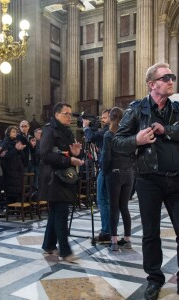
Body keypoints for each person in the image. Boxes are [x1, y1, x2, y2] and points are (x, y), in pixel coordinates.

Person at [113, 62, 179, 300]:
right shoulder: (137, 109)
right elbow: (117, 142)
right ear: (152, 84)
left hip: (177, 180)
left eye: (172, 76)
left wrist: (167, 130)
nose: (172, 80)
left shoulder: (177, 108)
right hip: (148, 180)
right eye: (166, 77)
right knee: (151, 233)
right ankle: (154, 279)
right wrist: (137, 140)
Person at [40, 102, 84, 262]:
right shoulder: (49, 130)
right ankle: (65, 251)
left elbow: (68, 154)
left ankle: (49, 245)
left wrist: (76, 154)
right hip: (53, 179)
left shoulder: (68, 132)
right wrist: (69, 160)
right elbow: (45, 155)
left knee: (55, 213)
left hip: (64, 178)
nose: (69, 117)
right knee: (61, 214)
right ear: (57, 114)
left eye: (70, 114)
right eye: (66, 113)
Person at [101, 107, 134, 251]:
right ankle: (127, 239)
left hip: (114, 173)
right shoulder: (128, 134)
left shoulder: (109, 134)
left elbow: (106, 156)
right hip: (129, 173)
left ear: (111, 118)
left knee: (114, 207)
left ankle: (113, 241)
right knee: (124, 207)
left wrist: (104, 170)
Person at [83, 108, 111, 243]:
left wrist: (86, 127)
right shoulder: (115, 130)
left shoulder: (108, 131)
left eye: (105, 118)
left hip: (105, 169)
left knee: (102, 200)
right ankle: (111, 231)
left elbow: (93, 137)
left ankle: (106, 232)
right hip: (112, 169)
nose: (103, 120)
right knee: (108, 201)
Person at [0, 125, 27, 204]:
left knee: (19, 188)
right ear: (8, 133)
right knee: (10, 189)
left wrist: (21, 150)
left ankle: (18, 206)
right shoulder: (5, 142)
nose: (15, 133)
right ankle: (10, 207)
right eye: (13, 132)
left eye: (16, 132)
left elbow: (22, 157)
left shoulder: (17, 141)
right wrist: (16, 149)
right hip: (9, 168)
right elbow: (6, 156)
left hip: (18, 167)